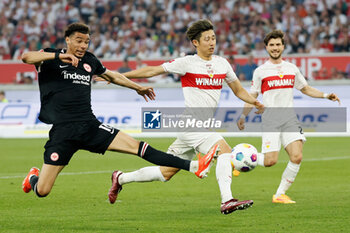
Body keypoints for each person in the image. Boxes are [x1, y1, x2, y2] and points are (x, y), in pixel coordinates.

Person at [20, 23, 217, 204]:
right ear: (68, 40)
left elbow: (112, 75)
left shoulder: (89, 61)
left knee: (138, 147)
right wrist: (57, 56)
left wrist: (136, 87)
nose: (83, 46)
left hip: (90, 126)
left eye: (86, 42)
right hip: (62, 132)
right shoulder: (50, 57)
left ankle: (193, 166)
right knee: (43, 190)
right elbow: (26, 57)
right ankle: (33, 178)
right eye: (79, 41)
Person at [113, 19, 264, 214]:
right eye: (207, 39)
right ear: (195, 42)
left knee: (166, 172)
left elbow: (238, 90)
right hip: (191, 124)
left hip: (198, 127)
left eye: (214, 38)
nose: (212, 42)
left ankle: (121, 178)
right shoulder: (187, 63)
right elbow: (152, 70)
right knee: (225, 151)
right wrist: (118, 76)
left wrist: (254, 102)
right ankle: (227, 200)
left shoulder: (222, 64)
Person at [237, 30, 340, 204]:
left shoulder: (291, 68)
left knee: (297, 156)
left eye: (278, 44)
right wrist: (243, 115)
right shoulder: (261, 71)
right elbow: (251, 96)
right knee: (270, 161)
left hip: (289, 118)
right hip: (271, 120)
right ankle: (237, 158)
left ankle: (279, 195)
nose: (275, 48)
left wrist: (325, 95)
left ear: (283, 46)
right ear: (266, 48)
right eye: (272, 45)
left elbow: (306, 88)